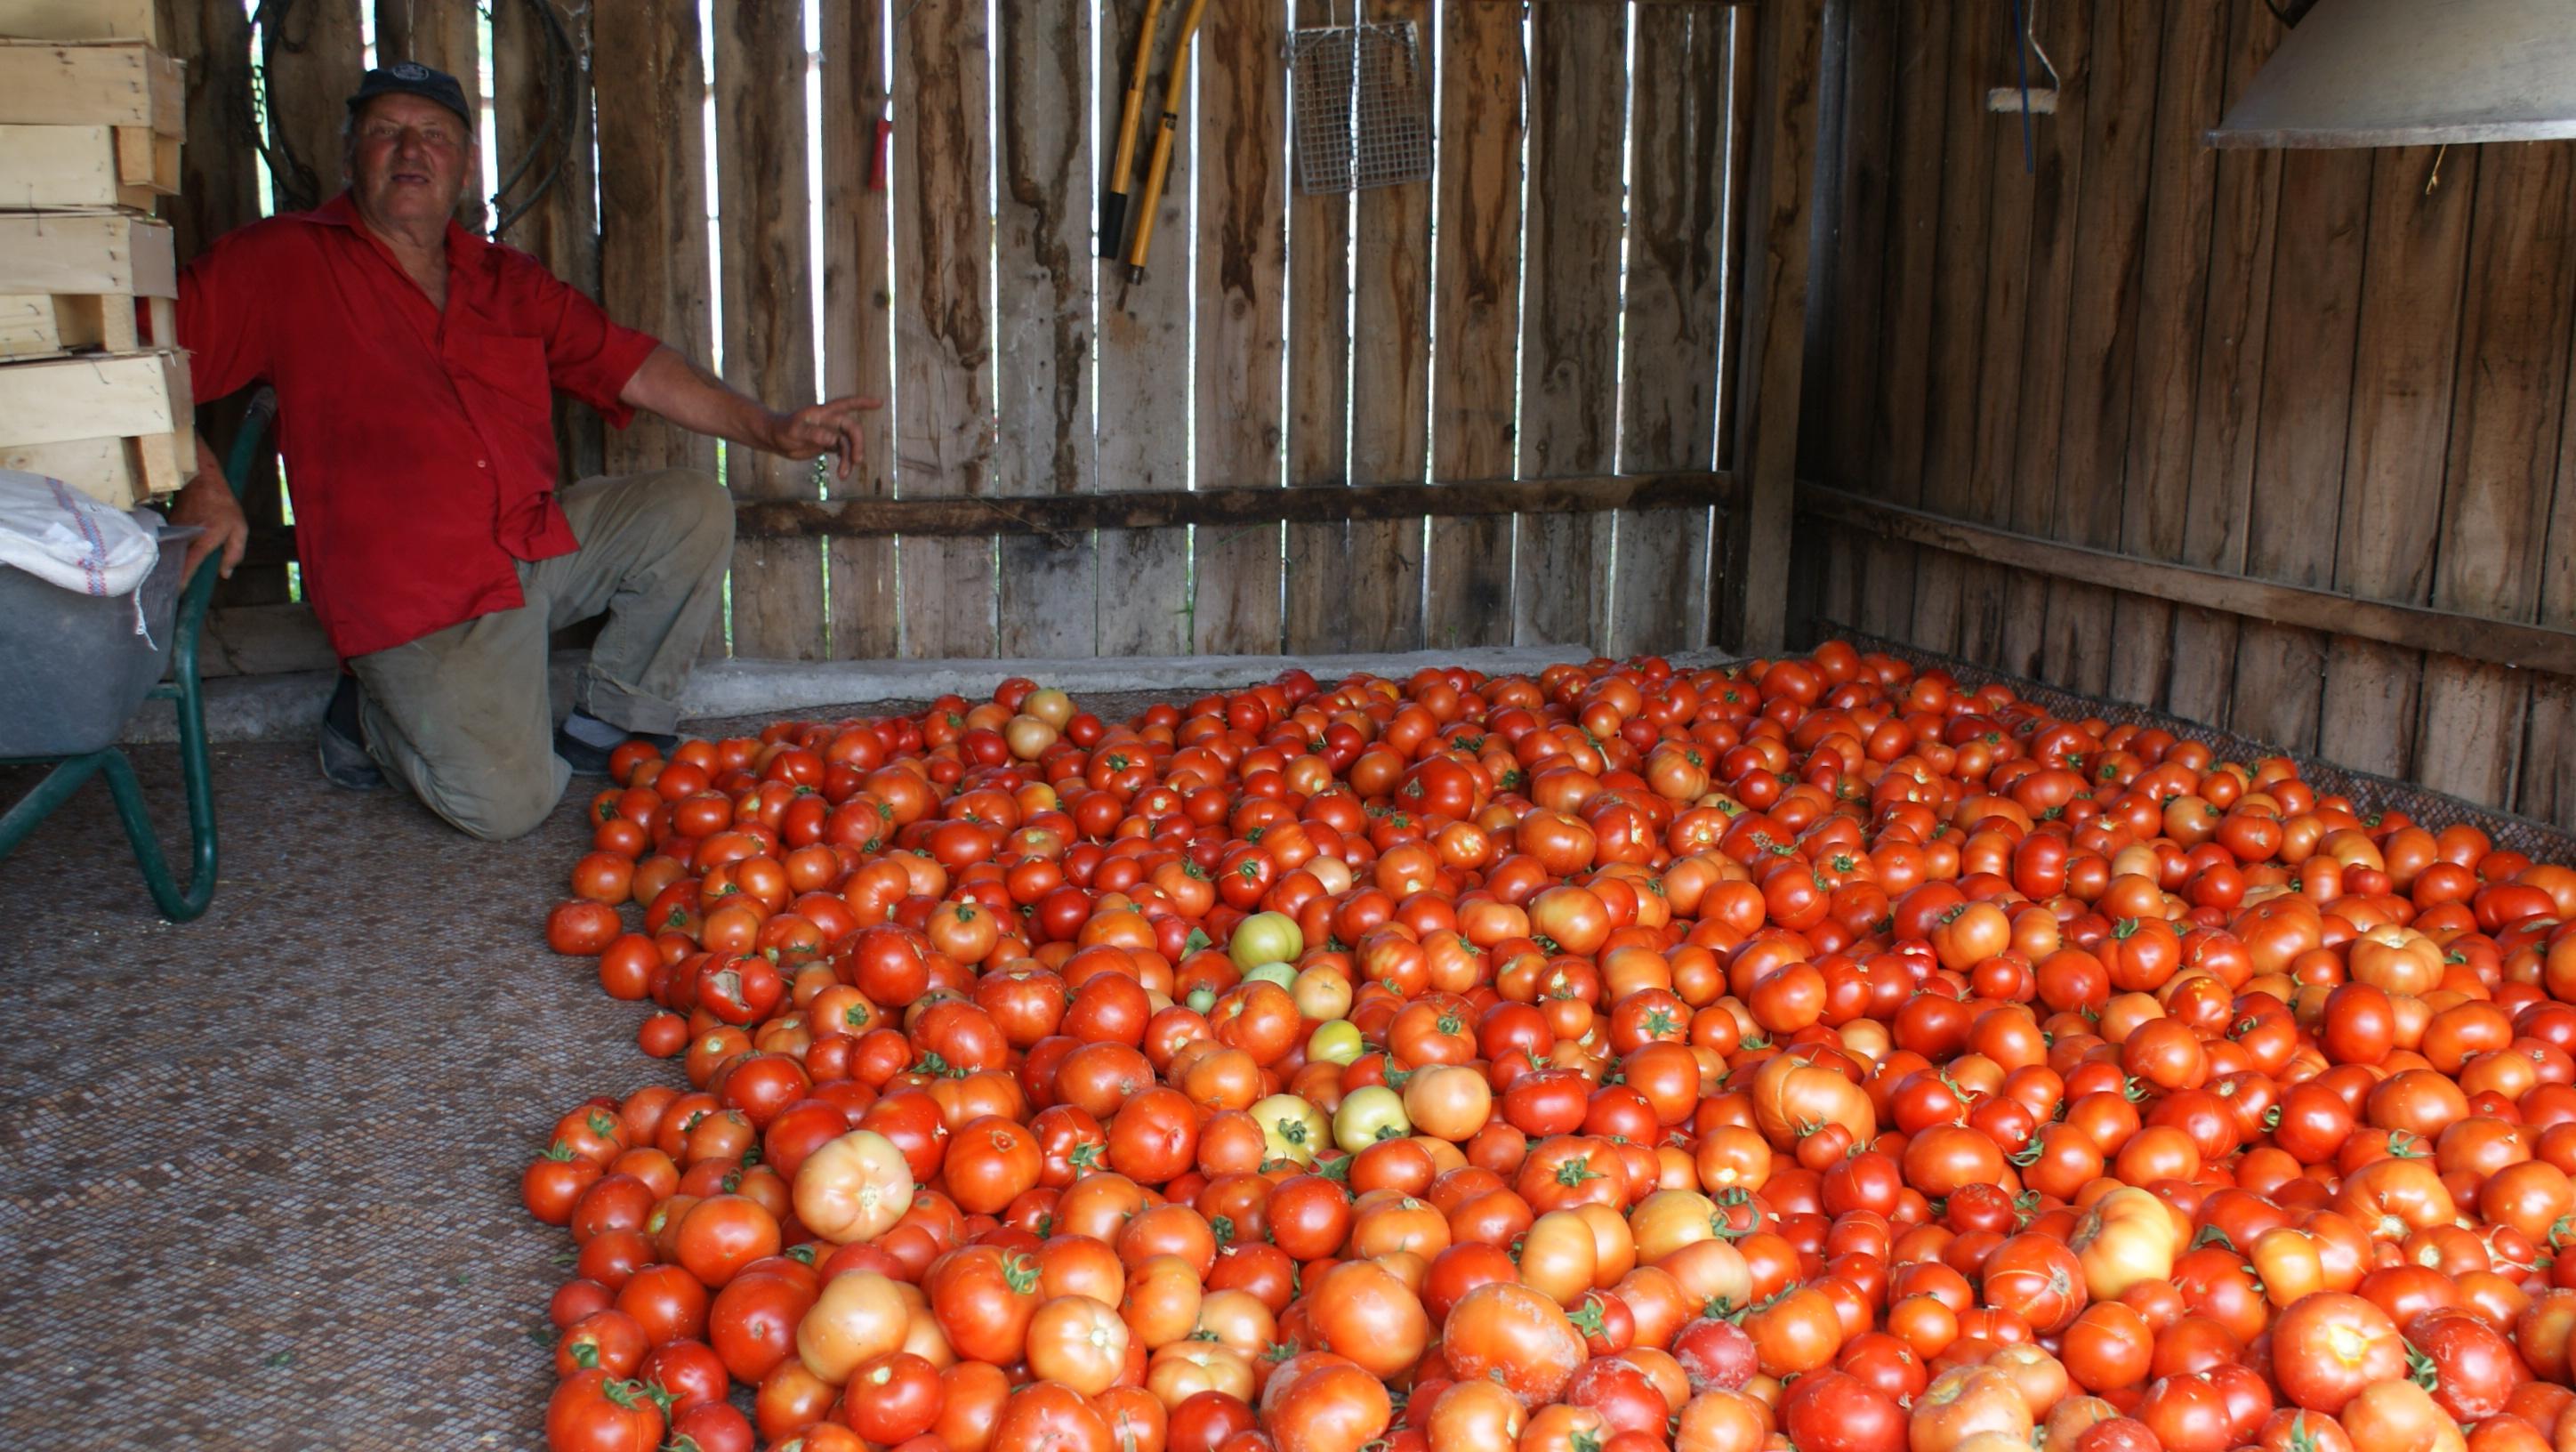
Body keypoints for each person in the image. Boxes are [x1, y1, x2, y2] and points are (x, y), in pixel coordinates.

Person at [167, 62, 873, 841]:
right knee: (505, 808)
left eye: (434, 136)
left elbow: (632, 365)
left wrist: (770, 428)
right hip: (412, 601)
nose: (411, 150)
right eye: (385, 132)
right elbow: (138, 349)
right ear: (349, 156)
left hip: (527, 550)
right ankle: (367, 714)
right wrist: (202, 479)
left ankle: (615, 724)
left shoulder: (503, 278)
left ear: (465, 165)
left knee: (689, 508)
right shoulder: (282, 261)